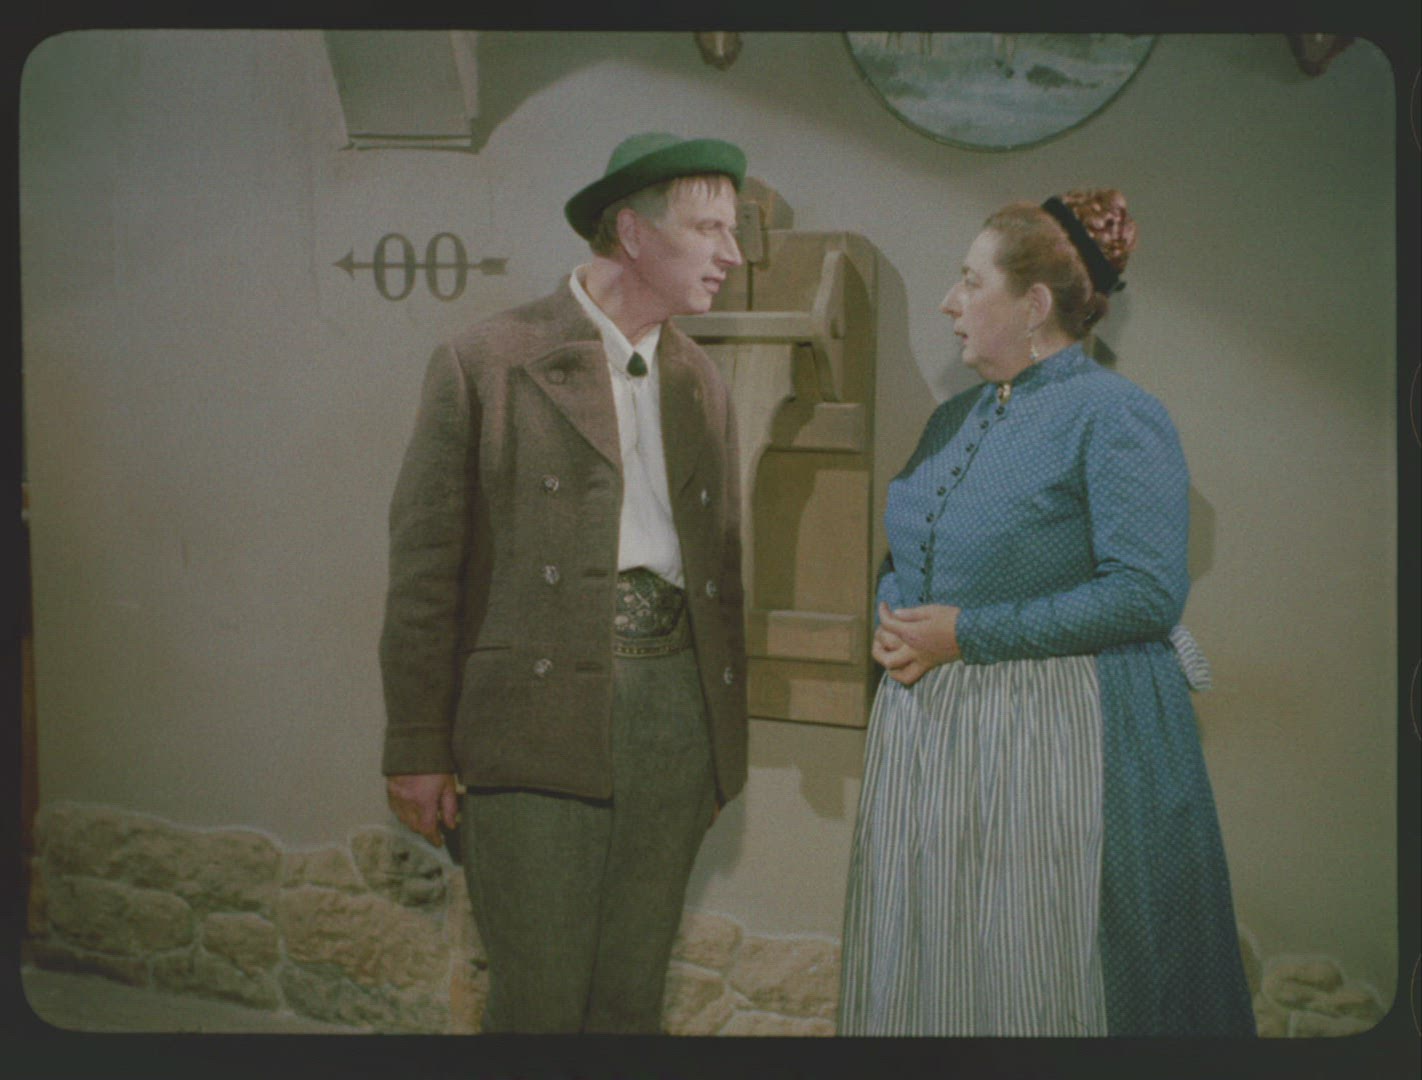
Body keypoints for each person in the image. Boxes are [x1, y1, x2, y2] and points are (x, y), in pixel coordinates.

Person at [838, 190, 1256, 1036]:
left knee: (1035, 970)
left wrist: (967, 634)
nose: (950, 302)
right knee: (938, 972)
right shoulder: (952, 418)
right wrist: (894, 614)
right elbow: (908, 551)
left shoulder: (1115, 414)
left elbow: (1146, 592)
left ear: (1033, 306)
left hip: (1051, 740)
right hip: (935, 745)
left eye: (970, 281)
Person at [378, 133, 750, 1034]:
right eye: (710, 229)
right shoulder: (487, 361)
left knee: (629, 1001)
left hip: (673, 716)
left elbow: (721, 574)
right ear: (633, 233)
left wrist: (716, 742)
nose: (733, 255)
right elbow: (424, 572)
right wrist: (417, 742)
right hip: (533, 718)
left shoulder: (700, 381)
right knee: (538, 1004)